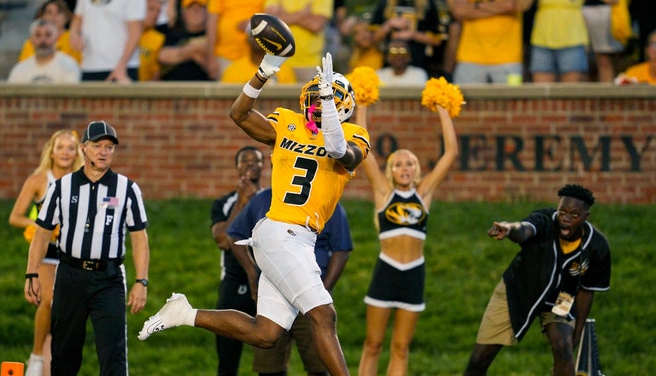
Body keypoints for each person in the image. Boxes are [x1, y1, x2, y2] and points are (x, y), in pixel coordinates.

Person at [138, 52, 370, 376]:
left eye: (327, 99)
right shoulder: (288, 124)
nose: (319, 104)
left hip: (298, 238)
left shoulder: (355, 134)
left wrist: (329, 105)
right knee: (324, 315)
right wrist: (263, 73)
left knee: (266, 333)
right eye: (316, 98)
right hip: (280, 232)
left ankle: (185, 313)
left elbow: (340, 153)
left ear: (342, 105)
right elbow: (239, 113)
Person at [23, 120, 151, 375]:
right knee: (64, 352)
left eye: (109, 147)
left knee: (113, 353)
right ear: (84, 149)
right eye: (97, 146)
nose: (104, 152)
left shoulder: (127, 188)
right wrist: (32, 273)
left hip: (109, 278)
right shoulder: (61, 187)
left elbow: (139, 237)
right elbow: (41, 234)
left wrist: (141, 281)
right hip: (71, 275)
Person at [355, 82, 459, 375]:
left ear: (416, 170)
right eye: (398, 164)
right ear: (391, 170)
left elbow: (450, 153)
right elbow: (364, 152)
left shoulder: (423, 194)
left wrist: (442, 109)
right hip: (386, 270)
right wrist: (361, 105)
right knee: (372, 344)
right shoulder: (384, 194)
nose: (404, 168)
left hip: (415, 272)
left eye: (410, 163)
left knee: (401, 348)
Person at [463, 184, 611, 376]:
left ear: (586, 216)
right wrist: (510, 229)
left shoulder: (597, 246)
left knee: (562, 347)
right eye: (562, 211)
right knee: (479, 360)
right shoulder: (544, 220)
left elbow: (585, 292)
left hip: (562, 298)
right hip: (518, 290)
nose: (565, 218)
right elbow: (525, 229)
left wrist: (575, 339)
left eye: (574, 215)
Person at [226, 188, 353, 376]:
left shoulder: (324, 199)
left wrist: (319, 292)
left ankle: (186, 314)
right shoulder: (263, 199)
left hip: (308, 294)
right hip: (273, 288)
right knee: (269, 362)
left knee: (320, 367)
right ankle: (187, 314)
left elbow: (341, 250)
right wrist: (253, 274)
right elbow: (234, 234)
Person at [9, 130, 83, 376]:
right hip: (45, 252)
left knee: (68, 310)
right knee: (49, 300)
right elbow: (15, 217)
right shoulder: (39, 179)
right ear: (51, 151)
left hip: (73, 252)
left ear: (77, 153)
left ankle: (56, 359)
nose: (65, 152)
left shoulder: (82, 180)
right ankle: (37, 357)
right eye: (60, 147)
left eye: (70, 148)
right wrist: (40, 228)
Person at [210, 146, 265, 376]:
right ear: (237, 167)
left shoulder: (272, 199)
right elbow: (223, 240)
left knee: (270, 362)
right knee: (227, 359)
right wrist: (242, 202)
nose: (250, 164)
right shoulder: (224, 203)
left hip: (267, 284)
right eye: (245, 160)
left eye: (256, 160)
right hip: (233, 283)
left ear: (265, 166)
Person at [448, 0, 535, 84]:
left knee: (511, 98)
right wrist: (502, 7)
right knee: (462, 98)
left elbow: (515, 5)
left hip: (508, 58)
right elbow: (459, 11)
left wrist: (476, 6)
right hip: (469, 57)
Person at [69, 0, 145, 82]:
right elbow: (78, 18)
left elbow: (135, 31)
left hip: (121, 68)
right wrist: (74, 35)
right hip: (90, 66)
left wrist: (122, 65)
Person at [370, 0, 445, 78]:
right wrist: (388, 25)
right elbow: (372, 39)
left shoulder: (427, 4)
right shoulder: (385, 3)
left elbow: (437, 40)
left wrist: (413, 35)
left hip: (418, 63)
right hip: (389, 67)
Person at [264, 0, 332, 82]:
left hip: (308, 64)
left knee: (310, 94)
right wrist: (303, 14)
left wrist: (283, 16)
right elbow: (270, 21)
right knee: (276, 94)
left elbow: (316, 25)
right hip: (278, 63)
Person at [529, 0, 589, 83]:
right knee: (541, 93)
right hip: (542, 39)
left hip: (573, 39)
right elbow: (522, 6)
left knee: (571, 93)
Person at [8, 19, 81, 84]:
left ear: (56, 38)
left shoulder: (69, 66)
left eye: (48, 35)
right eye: (38, 35)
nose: (43, 40)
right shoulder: (20, 70)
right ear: (31, 40)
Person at [204, 0, 264, 80]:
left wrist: (251, 24)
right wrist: (211, 57)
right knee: (226, 91)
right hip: (225, 55)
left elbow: (270, 15)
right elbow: (212, 22)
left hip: (255, 58)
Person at [158, 0, 210, 81]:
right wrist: (194, 49)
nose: (195, 11)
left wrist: (181, 53)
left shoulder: (214, 35)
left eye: (200, 8)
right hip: (171, 88)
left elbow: (213, 70)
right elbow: (162, 56)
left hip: (203, 89)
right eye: (190, 8)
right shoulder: (171, 33)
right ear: (183, 12)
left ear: (207, 12)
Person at [220, 29, 297, 84]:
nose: (258, 39)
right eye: (254, 34)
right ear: (247, 39)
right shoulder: (233, 70)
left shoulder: (284, 70)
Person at [18, 0, 82, 65]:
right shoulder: (31, 42)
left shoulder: (74, 38)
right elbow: (24, 66)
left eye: (58, 12)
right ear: (42, 16)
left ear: (66, 16)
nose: (54, 16)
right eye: (49, 12)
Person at [582, 0, 626, 82]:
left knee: (604, 59)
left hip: (603, 11)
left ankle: (608, 93)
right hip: (576, 12)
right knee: (581, 62)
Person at [139, 0, 166, 81]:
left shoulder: (159, 39)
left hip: (143, 90)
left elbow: (156, 75)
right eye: (151, 9)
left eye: (159, 11)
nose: (156, 15)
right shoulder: (121, 32)